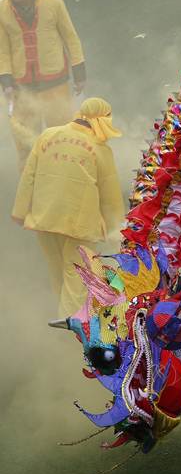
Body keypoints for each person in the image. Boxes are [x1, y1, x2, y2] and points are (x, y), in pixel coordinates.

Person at [12, 97, 124, 317]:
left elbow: (28, 176)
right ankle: (72, 323)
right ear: (102, 119)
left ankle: (62, 320)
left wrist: (19, 211)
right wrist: (118, 231)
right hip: (79, 224)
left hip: (44, 219)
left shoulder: (48, 135)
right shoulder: (100, 149)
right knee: (77, 273)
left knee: (58, 271)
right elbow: (111, 198)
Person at [0, 0, 87, 167]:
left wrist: (80, 74)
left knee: (62, 141)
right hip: (22, 88)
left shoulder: (53, 2)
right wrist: (7, 83)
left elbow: (70, 38)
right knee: (26, 147)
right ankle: (30, 194)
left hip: (55, 83)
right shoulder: (1, 9)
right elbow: (2, 51)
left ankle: (64, 186)